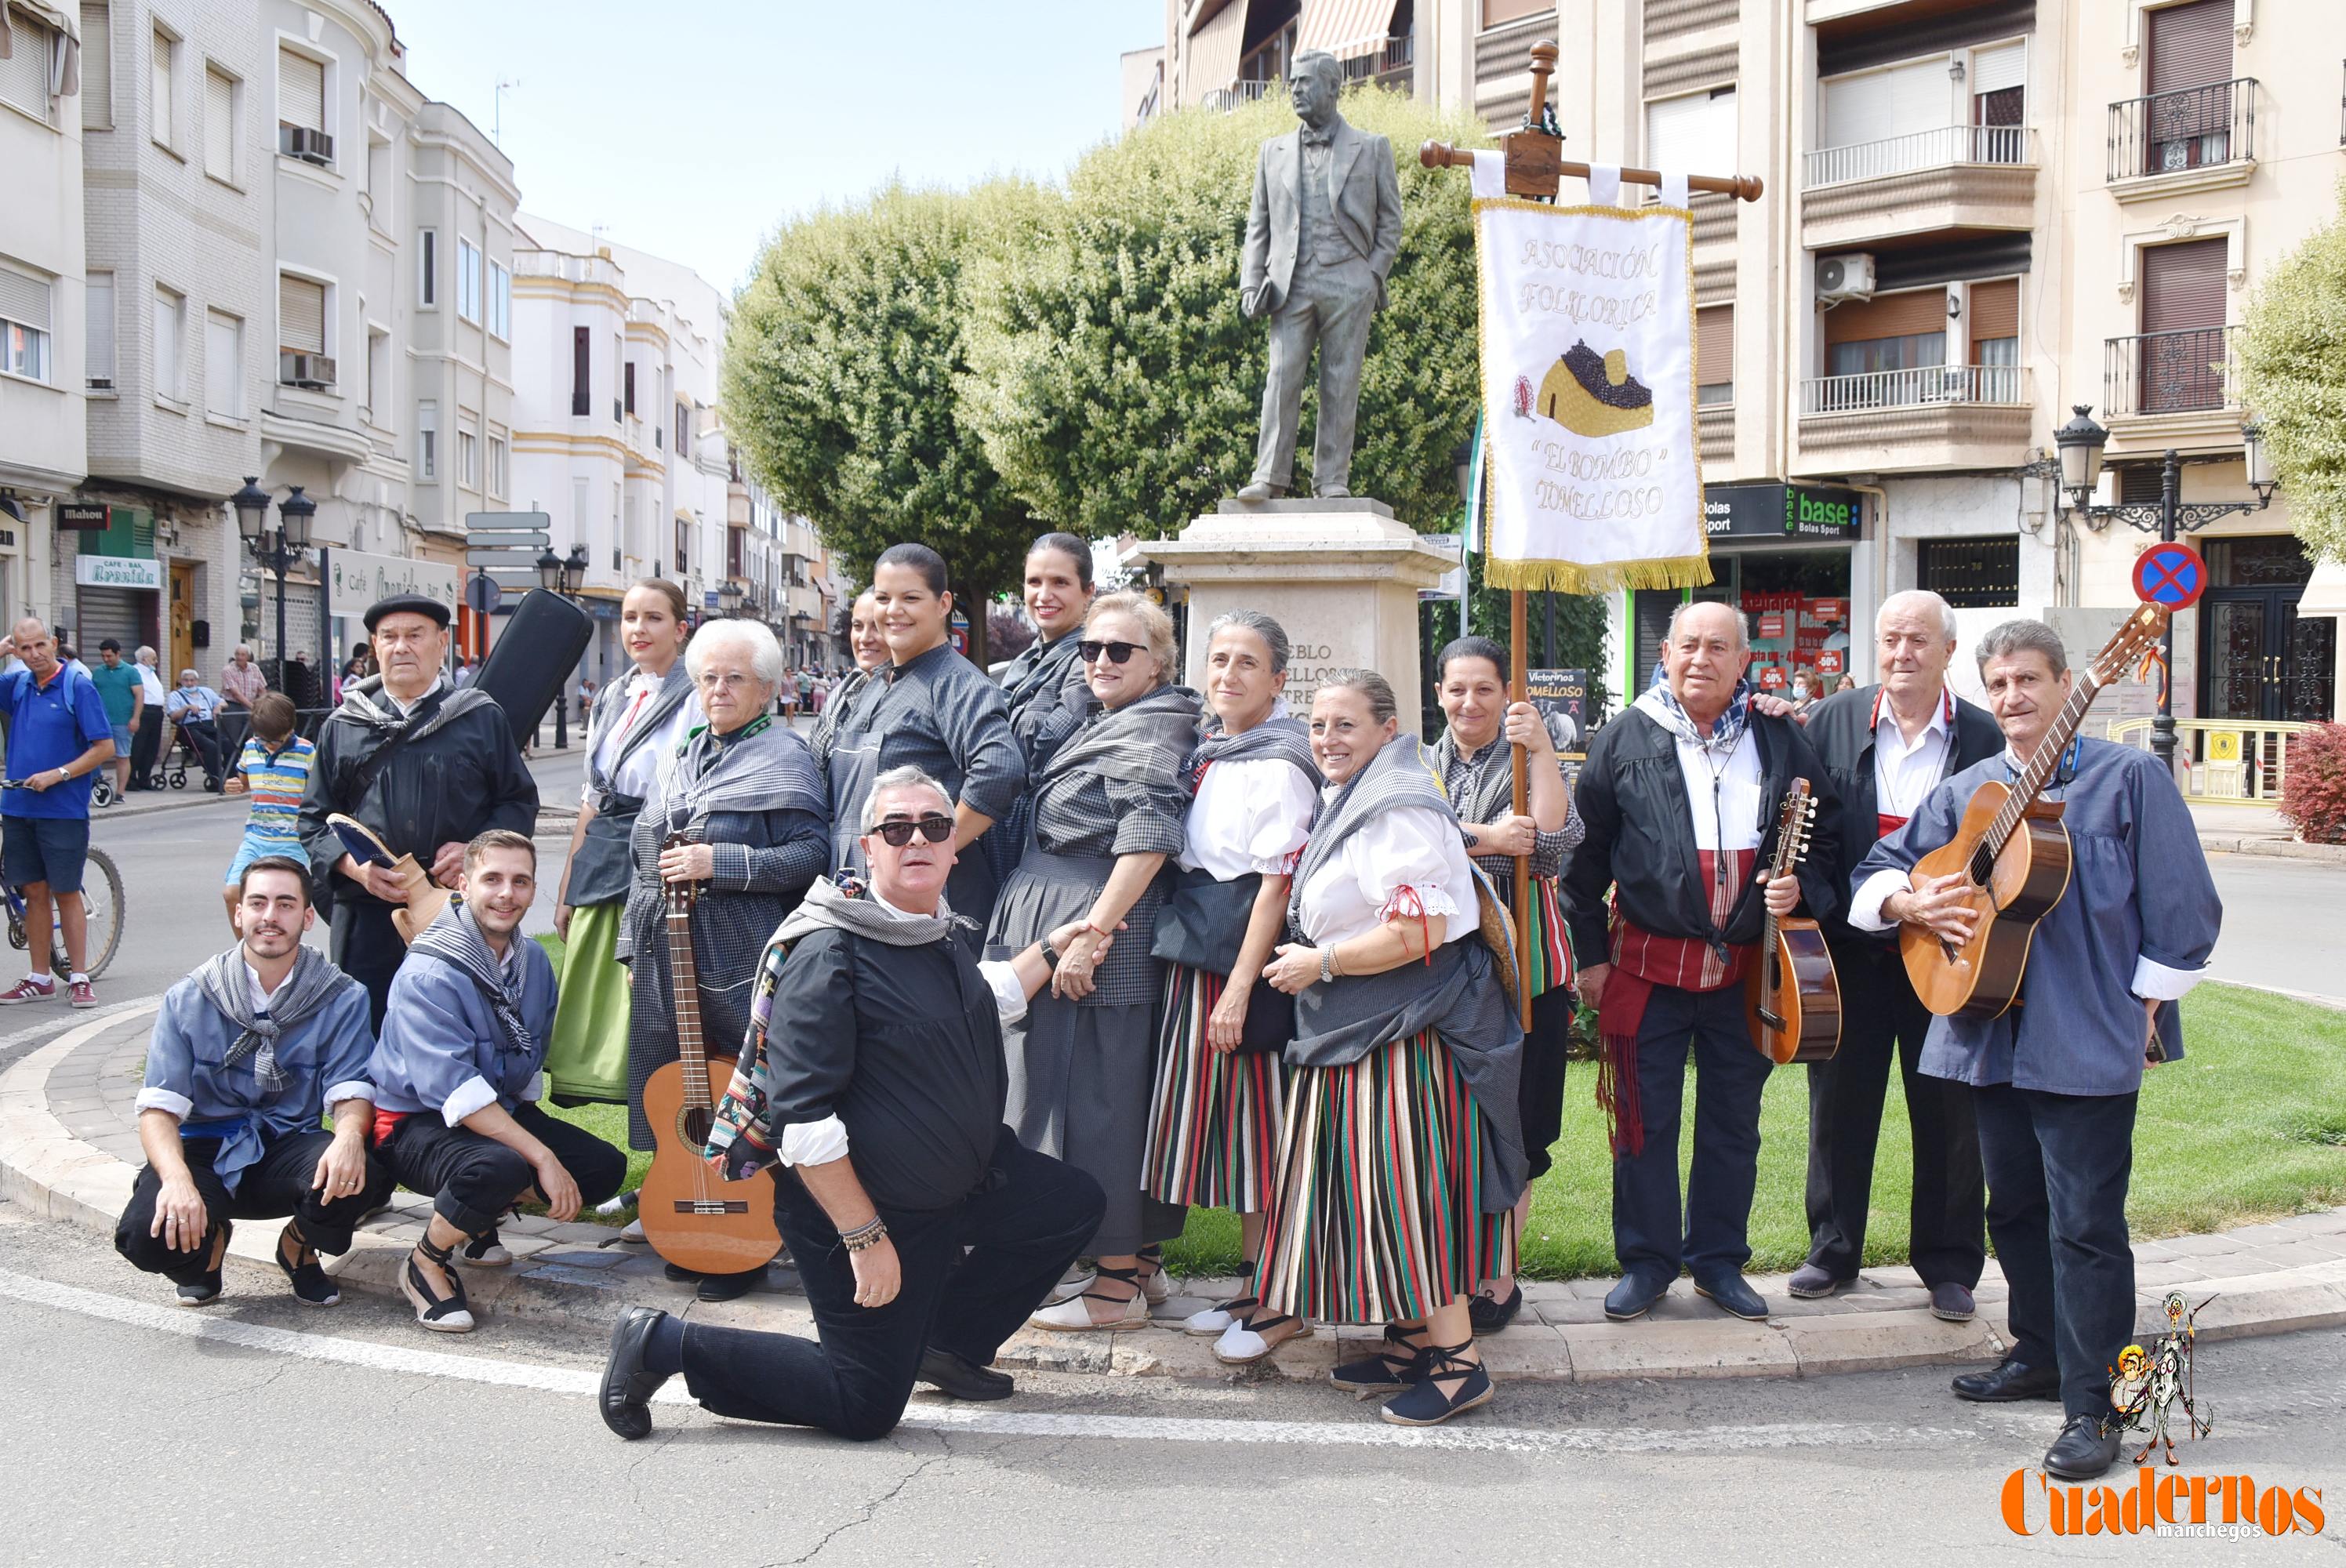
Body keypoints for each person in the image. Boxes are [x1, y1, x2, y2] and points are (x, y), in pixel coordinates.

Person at [599, 768, 1112, 1442]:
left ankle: (948, 1342)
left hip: (957, 1186)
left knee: (1067, 1204)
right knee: (864, 1405)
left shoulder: (933, 930)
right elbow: (803, 1123)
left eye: (934, 827)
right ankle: (661, 1344)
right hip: (857, 1208)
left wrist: (1052, 947)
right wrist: (865, 1240)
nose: (917, 840)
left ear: (954, 846)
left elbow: (988, 995)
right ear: (868, 849)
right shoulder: (831, 952)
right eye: (896, 829)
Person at [1850, 619, 2221, 1483]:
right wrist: (1909, 903)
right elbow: (1882, 867)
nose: (2014, 697)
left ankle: (2095, 1405)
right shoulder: (1966, 790)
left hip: (2084, 1030)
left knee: (2086, 1223)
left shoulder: (2127, 778)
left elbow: (2184, 906)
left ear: (2065, 686)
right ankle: (2041, 1351)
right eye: (2000, 684)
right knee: (2011, 1207)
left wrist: (2147, 1005)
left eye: (2029, 680)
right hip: (1985, 1028)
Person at [1257, 670, 1525, 1426]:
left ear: (1386, 729)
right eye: (1317, 725)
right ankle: (1412, 1339)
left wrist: (1324, 962)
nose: (1327, 740)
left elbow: (1421, 931)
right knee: (1374, 1191)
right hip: (1368, 1027)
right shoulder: (1360, 793)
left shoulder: (1398, 807)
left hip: (1403, 1035)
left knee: (1409, 1194)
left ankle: (1459, 1365)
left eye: (1345, 726)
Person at [1562, 601, 1842, 1326]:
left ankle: (1718, 1262)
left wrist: (1802, 886)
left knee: (1732, 1124)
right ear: (1667, 652)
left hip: (1746, 972)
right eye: (1689, 644)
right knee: (1643, 1124)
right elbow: (1584, 860)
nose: (1701, 659)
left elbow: (1827, 835)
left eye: (1720, 647)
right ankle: (1648, 1264)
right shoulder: (1625, 736)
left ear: (1744, 662)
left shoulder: (1780, 737)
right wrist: (1590, 958)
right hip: (1648, 969)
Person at [1789, 591, 2003, 1322]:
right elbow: (1805, 827)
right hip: (1853, 951)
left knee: (1949, 1110)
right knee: (1839, 1105)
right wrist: (1820, 910)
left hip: (1948, 953)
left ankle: (1948, 1264)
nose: (1902, 653)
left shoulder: (1983, 735)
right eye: (1890, 639)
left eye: (1918, 640)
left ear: (1948, 651)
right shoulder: (1831, 721)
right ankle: (1833, 1250)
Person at [991, 591, 1200, 1331]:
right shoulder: (1111, 717)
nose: (1100, 662)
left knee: (1098, 1101)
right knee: (1091, 1093)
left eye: (1119, 651)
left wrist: (1090, 935)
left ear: (1160, 661)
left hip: (1094, 923)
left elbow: (1146, 837)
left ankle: (1114, 1284)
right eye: (1090, 650)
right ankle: (1136, 1265)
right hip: (1065, 909)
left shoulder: (1152, 728)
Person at [619, 618, 829, 1300]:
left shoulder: (786, 756)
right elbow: (639, 857)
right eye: (708, 676)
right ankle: (683, 1217)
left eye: (735, 677)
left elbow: (810, 857)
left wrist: (722, 862)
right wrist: (629, 943)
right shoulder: (681, 752)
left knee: (751, 1087)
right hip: (665, 949)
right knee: (673, 1085)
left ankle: (755, 1237)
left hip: (740, 949)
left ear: (766, 688)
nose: (719, 689)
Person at [1140, 610, 1318, 1361]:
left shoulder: (1278, 763)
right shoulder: (1214, 751)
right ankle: (1254, 1282)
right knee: (1237, 1136)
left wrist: (1241, 989)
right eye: (1218, 660)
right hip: (1196, 951)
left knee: (1264, 1131)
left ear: (1278, 680)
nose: (1228, 676)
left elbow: (1275, 885)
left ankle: (1285, 1299)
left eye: (1248, 663)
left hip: (1238, 960)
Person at [369, 830, 627, 1333]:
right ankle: (425, 1262)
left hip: (495, 1108)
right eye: (492, 879)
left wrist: (543, 1145)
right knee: (505, 1164)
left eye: (520, 881)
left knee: (602, 1169)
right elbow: (455, 1093)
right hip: (412, 1120)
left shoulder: (532, 962)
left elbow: (527, 1061)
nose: (507, 893)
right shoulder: (429, 971)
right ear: (463, 886)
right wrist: (542, 1157)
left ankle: (477, 1218)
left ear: (534, 890)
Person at [114, 857, 390, 1306]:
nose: (270, 917)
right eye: (258, 903)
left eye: (285, 905)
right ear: (239, 913)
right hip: (205, 1149)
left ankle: (298, 1247)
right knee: (148, 1239)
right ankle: (209, 1243)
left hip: (287, 1143)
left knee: (366, 1173)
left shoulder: (342, 996)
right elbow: (159, 1108)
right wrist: (177, 1180)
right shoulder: (191, 996)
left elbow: (350, 1089)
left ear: (306, 917)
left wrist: (347, 1139)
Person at [1428, 636, 1585, 1334]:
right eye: (1457, 689)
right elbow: (1410, 834)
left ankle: (1498, 1275)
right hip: (1439, 971)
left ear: (1506, 695)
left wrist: (1543, 749)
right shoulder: (1415, 764)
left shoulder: (1527, 760)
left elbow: (1549, 844)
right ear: (1439, 694)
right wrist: (1488, 836)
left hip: (1524, 971)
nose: (1469, 702)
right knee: (1452, 1126)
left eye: (1484, 689)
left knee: (1520, 1125)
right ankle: (1448, 1270)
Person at [298, 595, 538, 1029]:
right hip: (368, 913)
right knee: (366, 1028)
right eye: (389, 637)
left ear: (441, 643)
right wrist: (354, 868)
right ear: (375, 646)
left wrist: (475, 851)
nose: (401, 647)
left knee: (458, 1024)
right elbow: (314, 819)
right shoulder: (344, 725)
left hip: (456, 910)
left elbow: (517, 801)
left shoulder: (479, 717)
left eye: (414, 635)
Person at [544, 581, 702, 1106]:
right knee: (594, 992)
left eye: (654, 618)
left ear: (681, 630)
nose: (638, 628)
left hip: (656, 848)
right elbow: (593, 795)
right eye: (631, 617)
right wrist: (569, 879)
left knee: (649, 994)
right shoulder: (614, 695)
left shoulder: (698, 695)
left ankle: (659, 1120)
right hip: (605, 847)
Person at [1235, 49, 1404, 502]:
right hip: (1289, 284)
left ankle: (1331, 480)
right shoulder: (1272, 152)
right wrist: (1251, 282)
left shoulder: (1371, 148)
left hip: (1349, 282)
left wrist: (1372, 275)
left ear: (1333, 88)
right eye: (1292, 82)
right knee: (1281, 377)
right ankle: (1269, 476)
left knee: (1340, 381)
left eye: (1306, 82)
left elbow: (1391, 221)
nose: (1296, 90)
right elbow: (1259, 227)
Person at [825, 544, 1022, 926]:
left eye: (911, 598)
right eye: (883, 598)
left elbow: (1000, 771)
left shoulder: (957, 684)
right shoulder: (875, 684)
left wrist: (933, 851)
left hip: (929, 907)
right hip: (862, 896)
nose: (893, 611)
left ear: (943, 603)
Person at [0, 618, 116, 1008]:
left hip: (63, 809)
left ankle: (79, 977)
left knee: (65, 891)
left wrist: (59, 774)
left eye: (39, 646)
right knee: (33, 892)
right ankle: (39, 977)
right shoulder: (18, 685)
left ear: (53, 643)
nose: (33, 655)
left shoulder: (77, 686)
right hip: (18, 805)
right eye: (24, 649)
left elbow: (104, 747)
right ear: (15, 651)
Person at [990, 533, 1098, 884]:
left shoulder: (1092, 662)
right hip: (999, 836)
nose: (1044, 594)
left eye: (1060, 583)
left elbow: (1046, 751)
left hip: (1041, 850)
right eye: (1034, 581)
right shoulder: (1023, 662)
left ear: (1088, 591)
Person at [221, 692, 318, 927]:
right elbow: (243, 782)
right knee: (233, 893)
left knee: (286, 902)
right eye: (264, 739)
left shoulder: (307, 753)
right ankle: (246, 951)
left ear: (290, 729)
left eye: (276, 740)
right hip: (256, 838)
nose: (269, 745)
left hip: (292, 842)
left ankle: (285, 950)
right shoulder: (251, 748)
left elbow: (319, 796)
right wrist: (233, 785)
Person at [808, 591, 886, 770]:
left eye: (877, 627)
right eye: (858, 626)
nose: (865, 638)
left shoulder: (911, 695)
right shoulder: (842, 694)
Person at [89, 639, 143, 804]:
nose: (106, 659)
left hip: (123, 721)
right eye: (103, 656)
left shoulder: (130, 672)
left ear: (118, 654)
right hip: (101, 722)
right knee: (94, 755)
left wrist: (135, 718)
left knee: (122, 755)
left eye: (109, 656)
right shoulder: (98, 672)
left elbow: (139, 696)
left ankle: (120, 793)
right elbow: (91, 696)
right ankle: (98, 787)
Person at [165, 669, 227, 791]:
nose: (190, 683)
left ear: (197, 681)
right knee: (211, 746)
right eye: (186, 680)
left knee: (229, 744)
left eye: (192, 680)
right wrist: (187, 708)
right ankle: (215, 779)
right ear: (181, 682)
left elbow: (223, 702)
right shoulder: (175, 695)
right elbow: (173, 716)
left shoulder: (206, 692)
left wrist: (218, 707)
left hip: (208, 726)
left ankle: (231, 777)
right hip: (188, 728)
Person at [130, 646, 169, 789]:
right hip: (144, 711)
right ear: (144, 659)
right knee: (138, 747)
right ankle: (132, 779)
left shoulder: (152, 673)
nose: (156, 661)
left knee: (152, 748)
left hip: (157, 712)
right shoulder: (135, 671)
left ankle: (144, 778)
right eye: (153, 658)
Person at [220, 644, 267, 711]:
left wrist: (262, 706)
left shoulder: (255, 668)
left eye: (243, 655)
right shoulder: (228, 670)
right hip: (233, 705)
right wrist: (253, 708)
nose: (240, 657)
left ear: (248, 657)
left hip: (252, 703)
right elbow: (236, 694)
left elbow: (262, 690)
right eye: (237, 654)